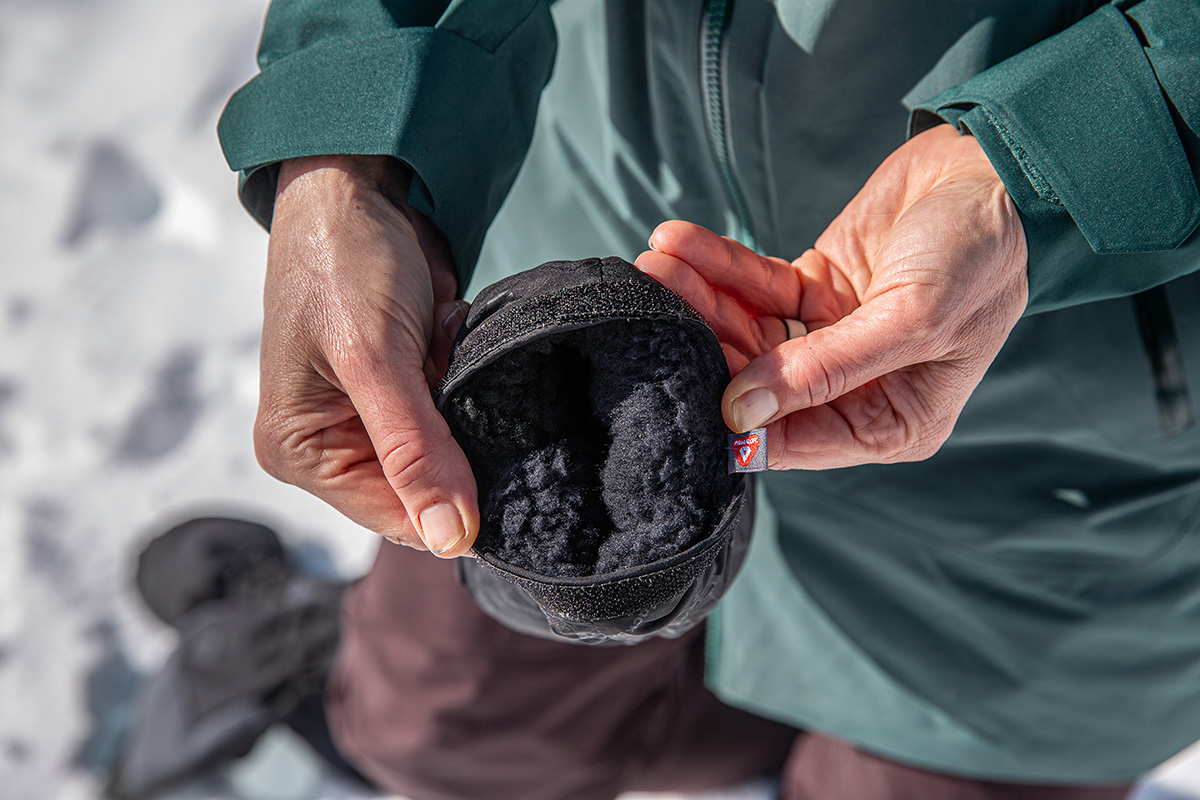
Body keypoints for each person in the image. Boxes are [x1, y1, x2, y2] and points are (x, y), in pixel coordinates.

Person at [215, 1, 1200, 798]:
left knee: (923, 767)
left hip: (1070, 428)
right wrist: (356, 151)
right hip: (573, 294)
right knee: (439, 729)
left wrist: (1035, 172)